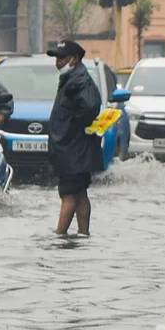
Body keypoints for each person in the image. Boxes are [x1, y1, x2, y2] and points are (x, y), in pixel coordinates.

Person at [46, 39, 102, 236]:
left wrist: (74, 127)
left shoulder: (79, 79)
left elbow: (90, 107)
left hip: (73, 148)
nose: (58, 62)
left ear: (75, 59)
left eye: (62, 58)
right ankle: (83, 234)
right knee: (79, 192)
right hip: (72, 148)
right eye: (56, 58)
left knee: (68, 194)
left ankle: (60, 236)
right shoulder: (72, 78)